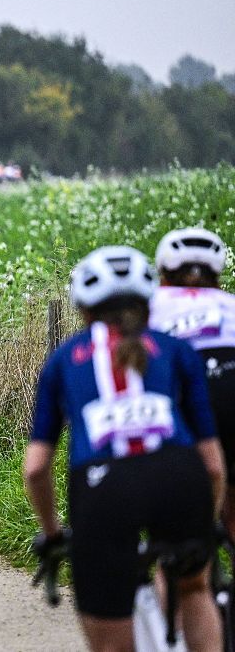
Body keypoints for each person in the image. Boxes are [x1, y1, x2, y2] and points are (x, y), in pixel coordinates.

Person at [25, 246, 224, 652]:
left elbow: (35, 469)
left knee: (110, 633)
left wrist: (53, 534)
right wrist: (209, 522)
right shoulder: (176, 349)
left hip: (104, 487)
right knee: (193, 589)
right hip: (179, 477)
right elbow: (214, 464)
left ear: (82, 309)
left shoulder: (63, 360)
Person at [150, 227, 235, 537]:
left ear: (163, 272)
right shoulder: (230, 303)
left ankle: (189, 571)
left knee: (182, 518)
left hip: (185, 400)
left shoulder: (153, 303)